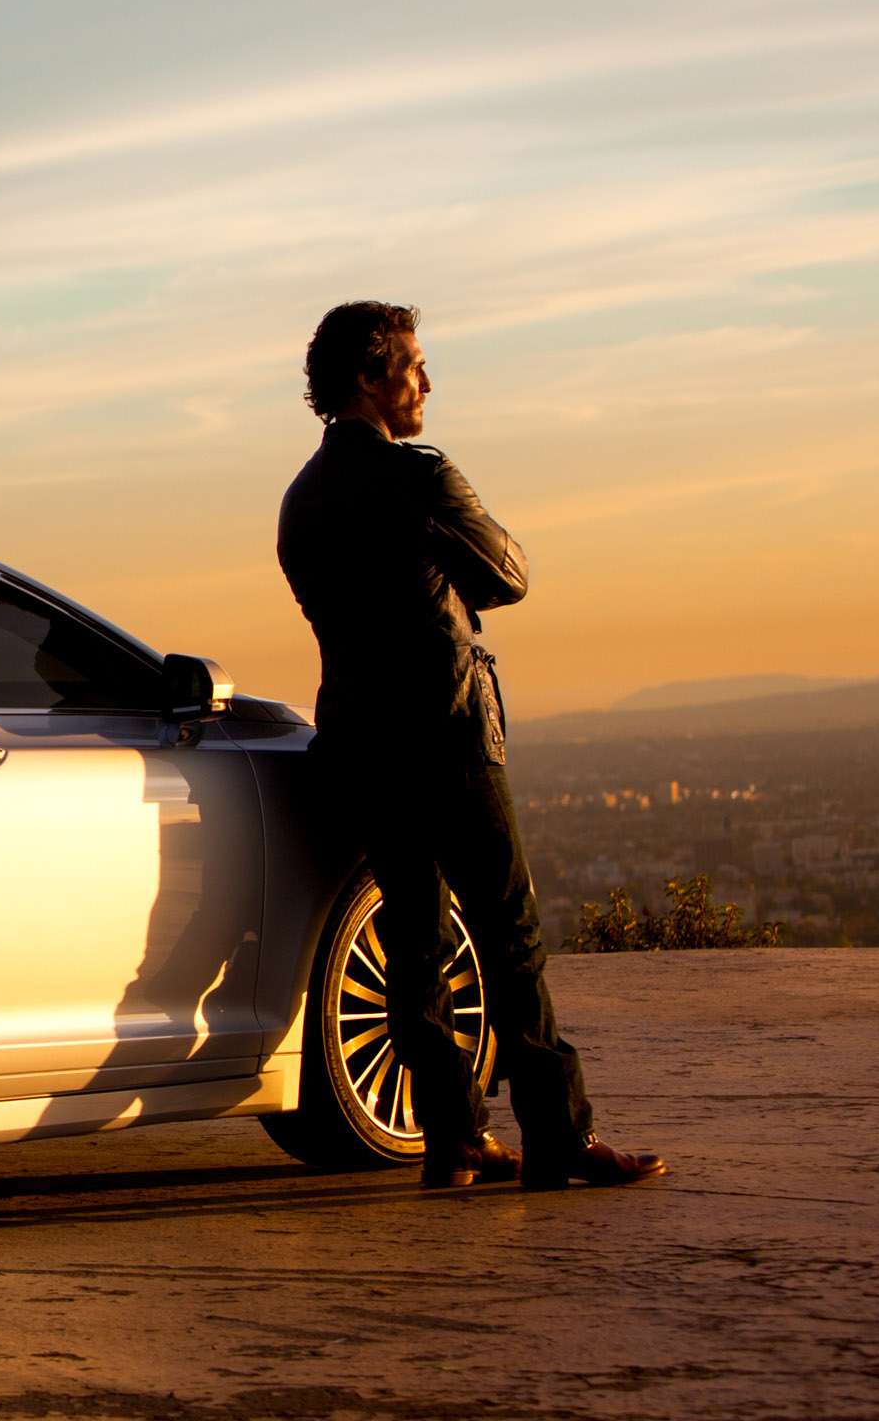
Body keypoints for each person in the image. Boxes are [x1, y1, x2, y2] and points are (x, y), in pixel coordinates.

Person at [276, 301, 664, 1192]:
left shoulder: (302, 500)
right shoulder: (418, 477)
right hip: (446, 732)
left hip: (363, 741)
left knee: (417, 942)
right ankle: (559, 1136)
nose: (427, 381)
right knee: (508, 937)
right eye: (414, 364)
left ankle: (452, 1140)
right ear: (370, 378)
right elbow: (510, 576)